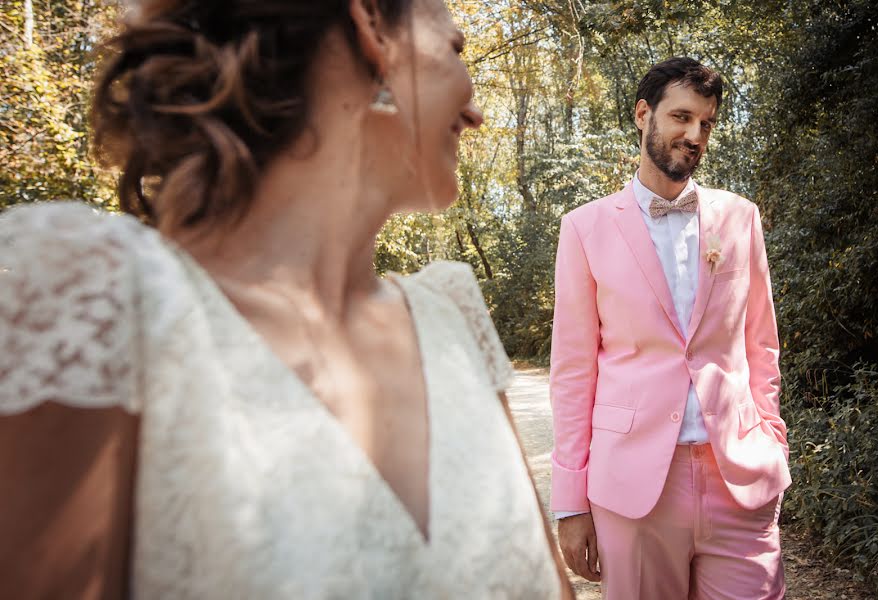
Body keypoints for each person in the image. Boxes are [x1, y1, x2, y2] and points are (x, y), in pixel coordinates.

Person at [0, 1, 573, 598]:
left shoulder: (452, 314)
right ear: (372, 22)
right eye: (454, 49)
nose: (477, 112)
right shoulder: (102, 301)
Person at [549, 57, 791, 599]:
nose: (694, 134)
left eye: (705, 123)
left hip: (738, 478)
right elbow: (572, 370)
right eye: (681, 117)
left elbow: (761, 344)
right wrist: (570, 501)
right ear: (643, 115)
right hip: (633, 489)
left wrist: (773, 441)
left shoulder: (740, 218)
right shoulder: (584, 229)